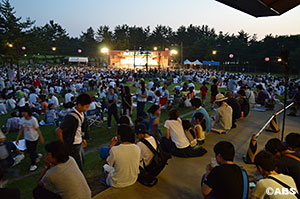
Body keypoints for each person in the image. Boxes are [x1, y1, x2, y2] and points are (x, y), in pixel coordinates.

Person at [56, 94, 91, 172]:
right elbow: (58, 131)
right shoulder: (71, 117)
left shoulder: (81, 113)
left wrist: (83, 138)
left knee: (82, 161)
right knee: (78, 166)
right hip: (73, 145)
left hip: (79, 142)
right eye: (86, 107)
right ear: (79, 105)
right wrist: (63, 144)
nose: (87, 109)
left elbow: (81, 128)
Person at [16, 107, 44, 171]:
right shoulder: (22, 119)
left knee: (31, 152)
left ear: (28, 112)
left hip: (34, 138)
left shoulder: (33, 120)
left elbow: (37, 129)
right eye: (22, 112)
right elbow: (21, 129)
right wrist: (17, 138)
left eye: (25, 112)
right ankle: (36, 155)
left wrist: (41, 137)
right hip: (27, 138)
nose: (23, 113)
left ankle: (33, 164)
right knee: (29, 150)